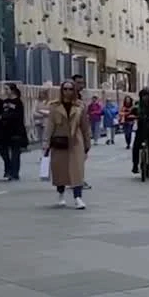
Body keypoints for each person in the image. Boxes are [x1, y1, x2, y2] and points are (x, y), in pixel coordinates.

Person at [44, 80, 92, 208]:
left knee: (77, 170)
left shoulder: (80, 106)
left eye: (70, 89)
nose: (67, 92)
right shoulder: (54, 106)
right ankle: (61, 194)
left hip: (76, 141)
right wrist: (46, 143)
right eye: (65, 89)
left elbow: (85, 126)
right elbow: (50, 125)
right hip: (59, 140)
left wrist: (87, 144)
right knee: (60, 170)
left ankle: (78, 198)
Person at [0, 83, 29, 181]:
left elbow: (17, 116)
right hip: (4, 131)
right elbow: (0, 113)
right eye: (4, 89)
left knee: (15, 153)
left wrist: (5, 116)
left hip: (15, 130)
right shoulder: (4, 102)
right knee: (3, 151)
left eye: (7, 89)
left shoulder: (18, 102)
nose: (5, 91)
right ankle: (8, 169)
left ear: (12, 90)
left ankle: (14, 173)